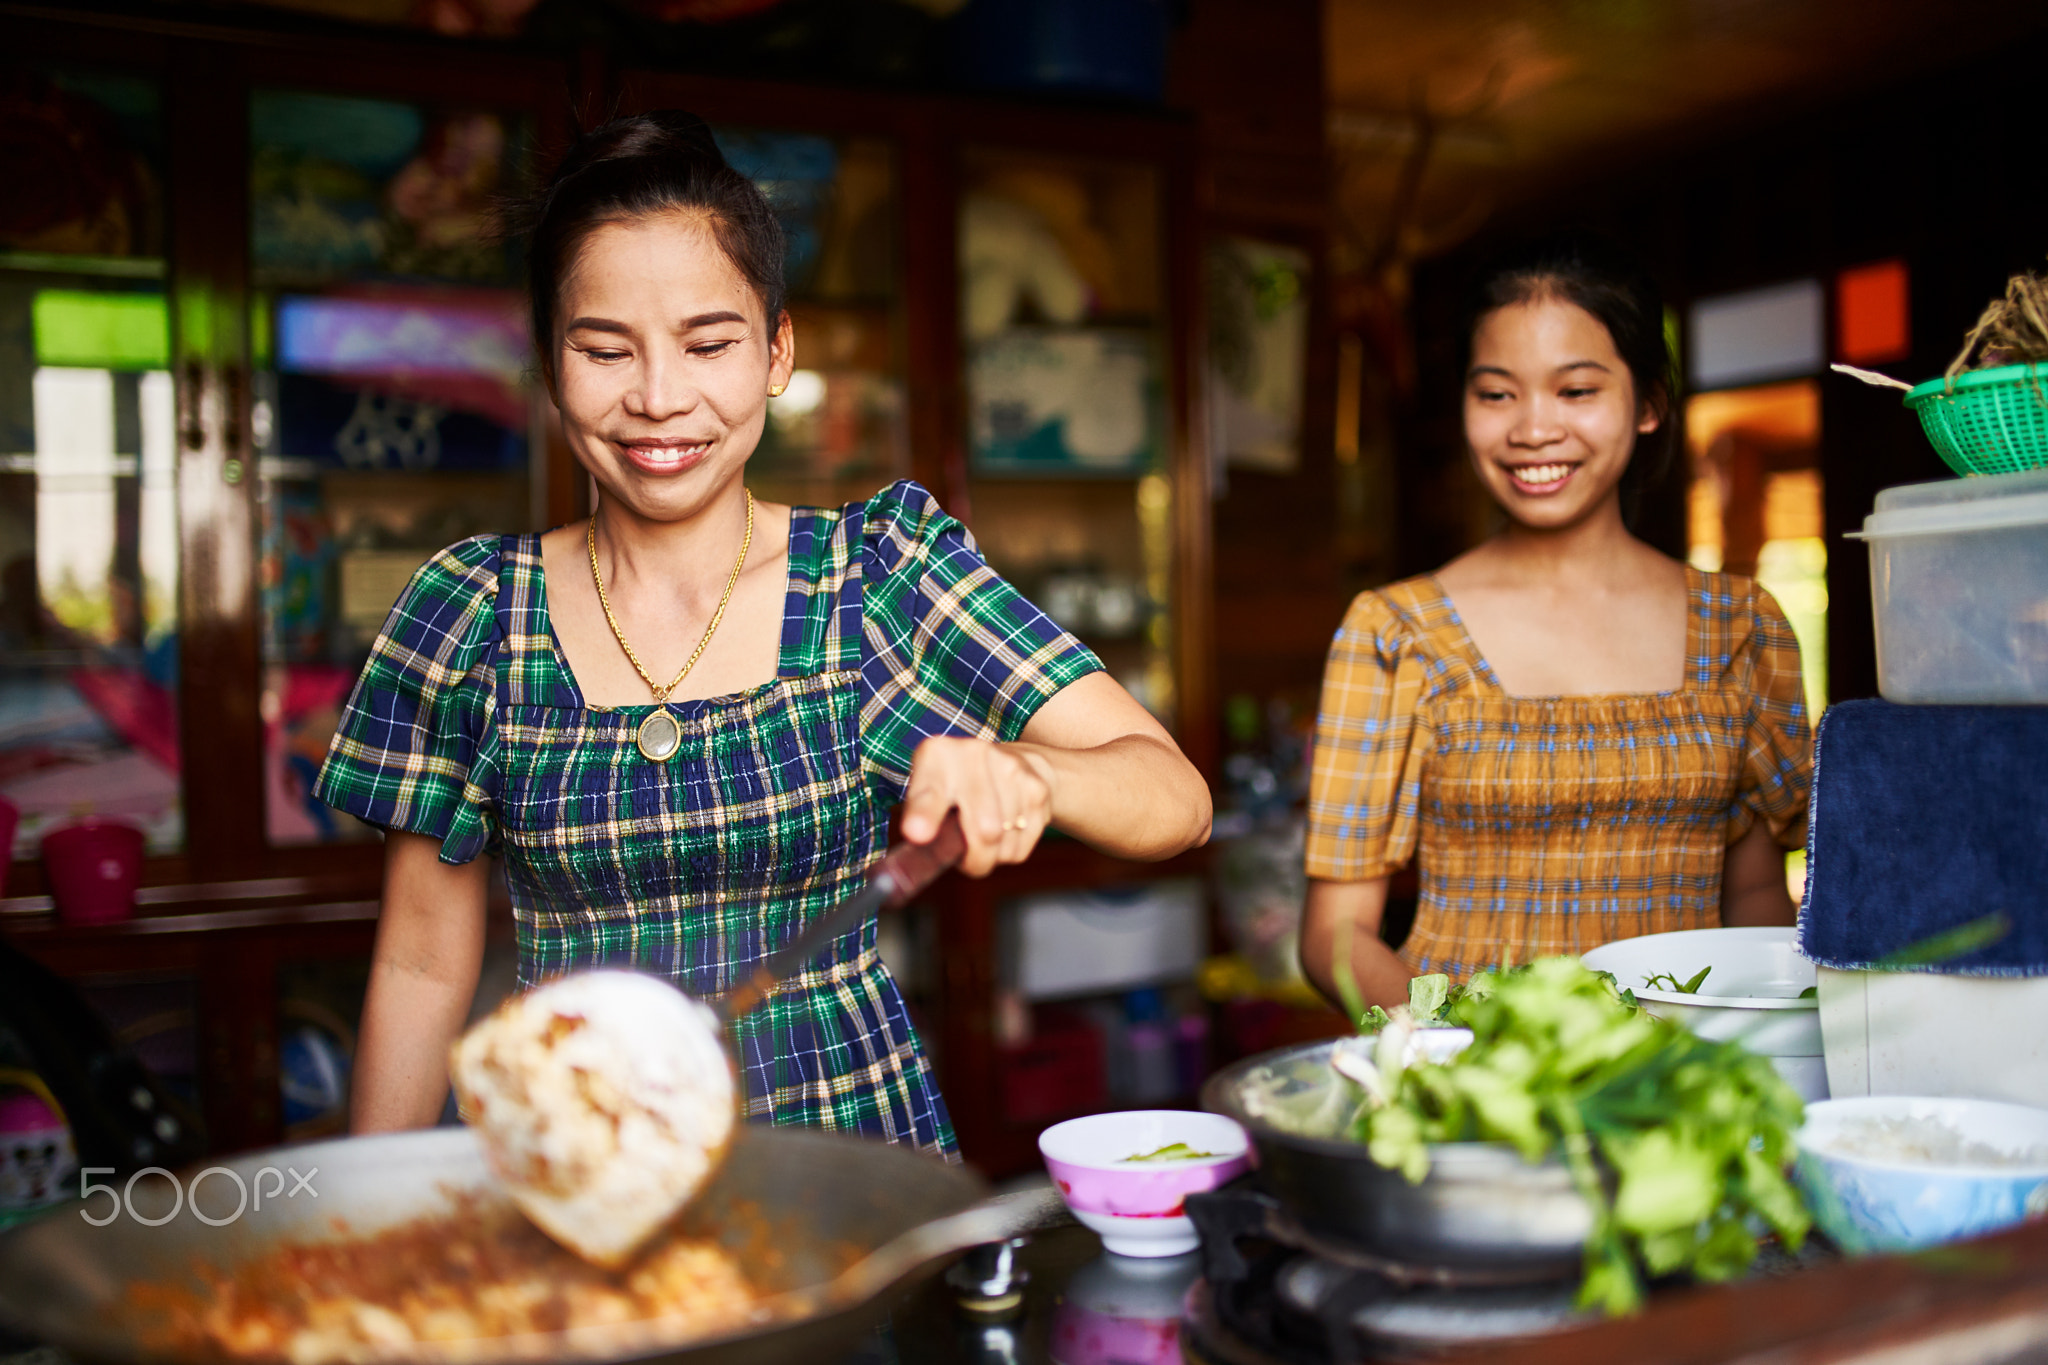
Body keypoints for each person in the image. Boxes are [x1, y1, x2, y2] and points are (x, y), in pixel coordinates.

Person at [316, 112, 1211, 1156]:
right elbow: (421, 966)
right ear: (549, 364)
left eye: (709, 344)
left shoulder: (878, 576)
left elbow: (1174, 797)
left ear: (778, 351)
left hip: (849, 1174)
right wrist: (369, 1207)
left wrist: (1030, 774)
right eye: (605, 349)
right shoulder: (468, 611)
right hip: (582, 1177)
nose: (658, 400)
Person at [1301, 236, 1811, 1013]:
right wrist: (1462, 1053)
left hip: (1682, 1089)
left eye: (1576, 391)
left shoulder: (1742, 626)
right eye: (1497, 393)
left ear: (1648, 404)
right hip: (1469, 1099)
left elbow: (1752, 900)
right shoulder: (1393, 632)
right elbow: (1334, 935)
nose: (1532, 429)